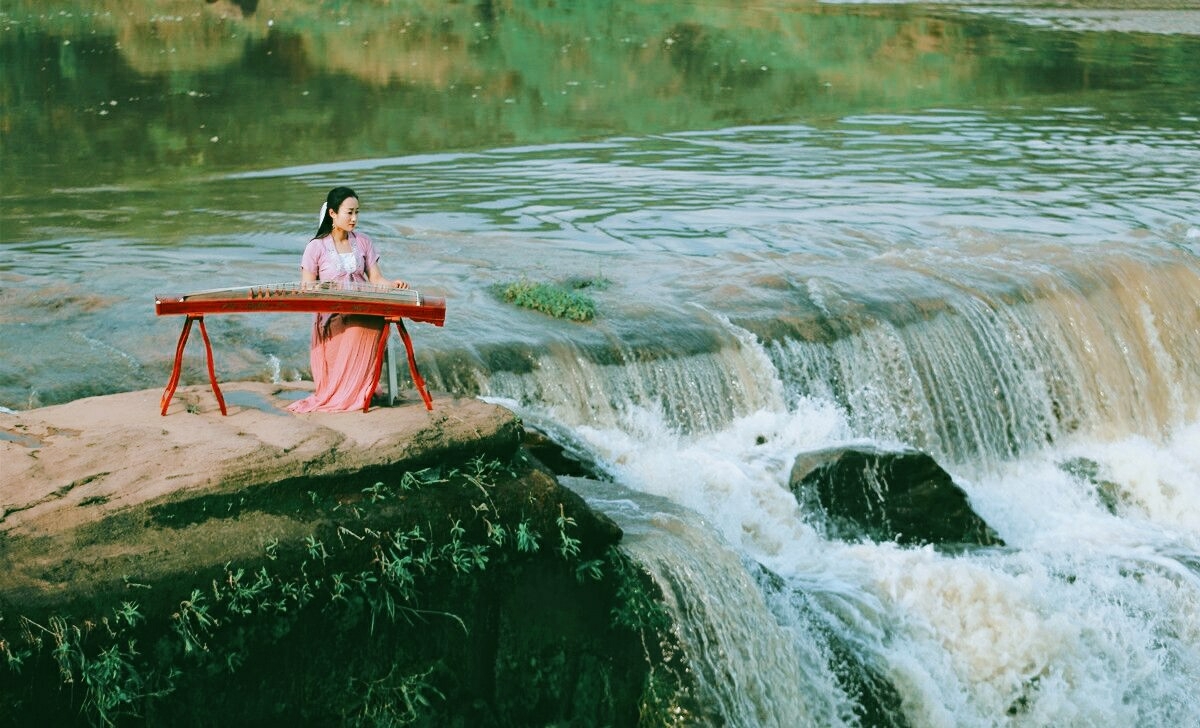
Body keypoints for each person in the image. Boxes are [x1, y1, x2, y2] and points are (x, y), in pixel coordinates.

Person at [287, 186, 408, 413]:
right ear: (332, 213)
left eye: (357, 212)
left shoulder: (362, 242)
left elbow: (376, 279)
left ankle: (358, 389)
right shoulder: (316, 247)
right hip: (333, 315)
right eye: (349, 212)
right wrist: (327, 288)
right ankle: (351, 392)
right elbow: (307, 286)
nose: (354, 218)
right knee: (358, 326)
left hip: (364, 307)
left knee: (373, 321)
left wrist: (393, 285)